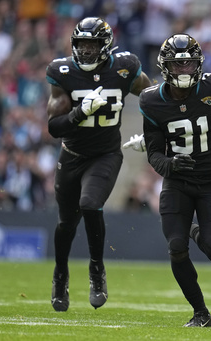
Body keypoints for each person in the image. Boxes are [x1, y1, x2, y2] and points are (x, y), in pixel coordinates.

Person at [124, 34, 211, 327]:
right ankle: (200, 312)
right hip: (177, 183)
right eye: (177, 65)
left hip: (210, 180)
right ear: (165, 67)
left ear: (199, 64)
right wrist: (171, 163)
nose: (184, 71)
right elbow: (154, 155)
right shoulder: (152, 101)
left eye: (189, 64)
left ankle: (191, 229)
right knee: (176, 248)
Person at [45, 17, 151, 312]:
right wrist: (79, 113)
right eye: (82, 44)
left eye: (93, 44)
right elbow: (54, 127)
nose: (87, 50)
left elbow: (155, 97)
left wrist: (155, 133)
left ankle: (96, 269)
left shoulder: (124, 67)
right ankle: (60, 274)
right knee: (66, 223)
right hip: (72, 155)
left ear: (106, 46)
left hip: (105, 154)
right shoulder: (62, 71)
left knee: (90, 203)